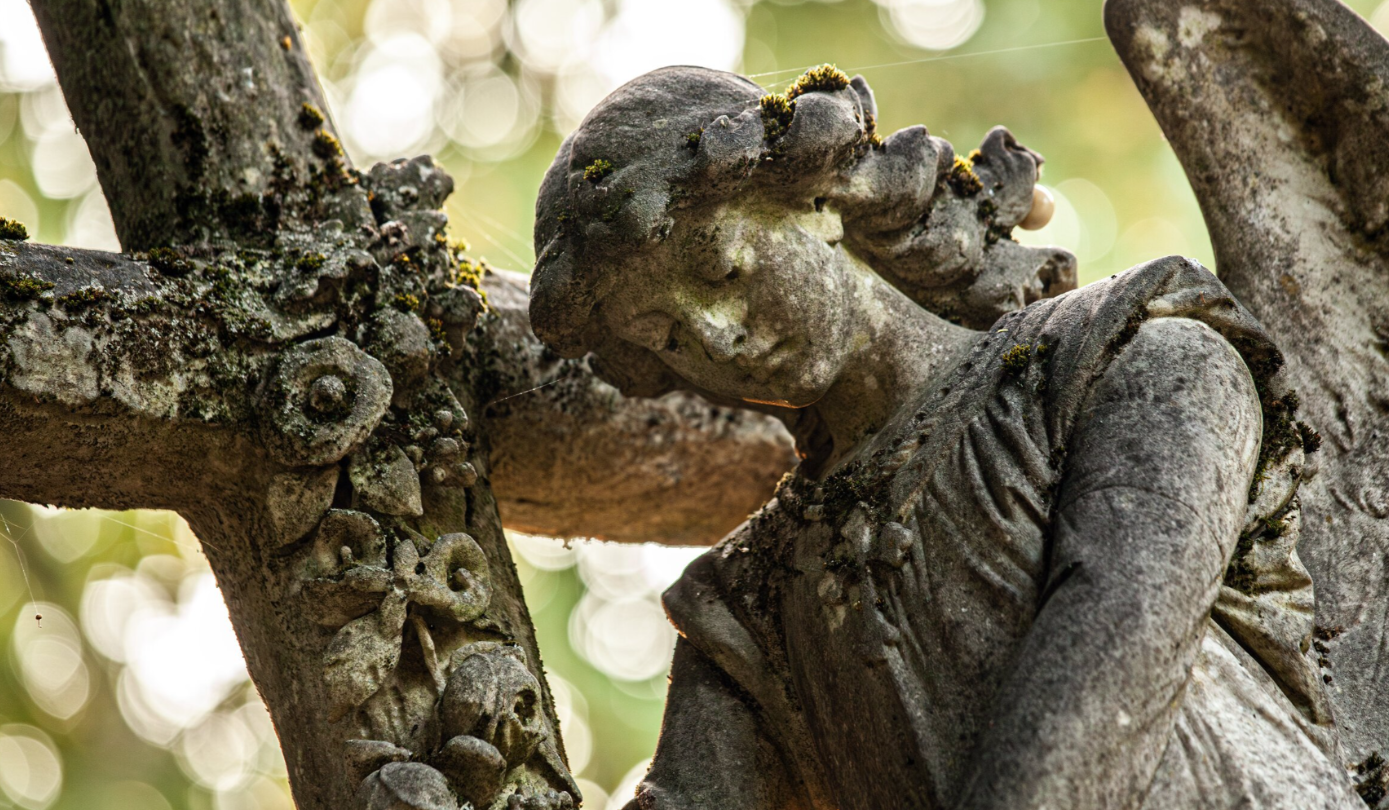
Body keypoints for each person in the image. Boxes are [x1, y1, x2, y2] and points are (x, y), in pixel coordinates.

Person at [529, 65, 1358, 809]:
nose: (718, 338)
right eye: (663, 336)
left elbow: (1114, 647)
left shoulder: (1131, 358)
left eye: (722, 271)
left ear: (817, 201)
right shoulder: (749, 601)